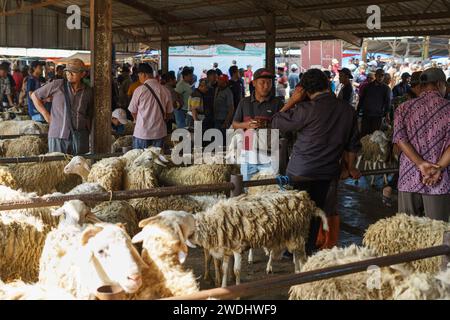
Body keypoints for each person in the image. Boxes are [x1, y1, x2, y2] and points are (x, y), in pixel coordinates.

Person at [272, 69, 361, 254]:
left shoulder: (305, 109)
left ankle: (292, 249)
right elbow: (352, 145)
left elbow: (277, 122)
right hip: (328, 172)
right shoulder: (347, 110)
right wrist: (351, 167)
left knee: (296, 211)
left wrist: (293, 101)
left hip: (300, 171)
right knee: (316, 212)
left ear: (303, 90)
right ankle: (309, 247)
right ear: (328, 84)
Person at [393, 68, 450, 221]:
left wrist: (420, 164)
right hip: (438, 180)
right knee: (438, 234)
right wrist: (437, 168)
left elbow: (400, 139)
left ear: (422, 85)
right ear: (440, 84)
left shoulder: (403, 108)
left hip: (408, 178)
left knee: (406, 232)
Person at [31, 58, 93, 155]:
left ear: (83, 74)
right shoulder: (57, 85)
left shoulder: (88, 92)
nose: (69, 74)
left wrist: (87, 131)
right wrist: (45, 114)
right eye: (68, 71)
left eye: (74, 72)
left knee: (78, 167)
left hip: (79, 137)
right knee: (57, 166)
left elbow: (89, 113)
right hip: (58, 135)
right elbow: (34, 95)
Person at [232, 68, 284, 181]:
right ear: (254, 83)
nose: (266, 86)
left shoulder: (277, 104)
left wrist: (268, 125)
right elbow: (235, 124)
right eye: (262, 82)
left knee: (269, 191)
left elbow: (284, 129)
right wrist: (246, 125)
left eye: (269, 83)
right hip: (247, 156)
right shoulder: (244, 102)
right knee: (246, 189)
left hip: (269, 158)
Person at [128, 63, 173, 149]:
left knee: (140, 160)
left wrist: (140, 120)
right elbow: (169, 113)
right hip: (159, 132)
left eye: (139, 75)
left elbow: (133, 110)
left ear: (143, 74)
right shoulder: (165, 90)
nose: (139, 78)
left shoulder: (139, 90)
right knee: (157, 160)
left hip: (142, 132)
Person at [357, 68, 391, 136]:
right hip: (366, 114)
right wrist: (357, 111)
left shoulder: (386, 88)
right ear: (375, 75)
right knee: (364, 134)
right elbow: (362, 99)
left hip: (377, 116)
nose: (380, 77)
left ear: (383, 77)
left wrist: (387, 114)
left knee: (374, 135)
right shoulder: (367, 86)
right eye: (379, 75)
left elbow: (387, 102)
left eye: (382, 75)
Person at [213, 74, 234, 139]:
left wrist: (227, 121)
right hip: (216, 118)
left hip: (223, 120)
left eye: (220, 80)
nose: (218, 81)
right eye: (218, 79)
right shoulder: (217, 89)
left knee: (223, 139)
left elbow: (231, 108)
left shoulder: (228, 92)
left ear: (225, 82)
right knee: (217, 137)